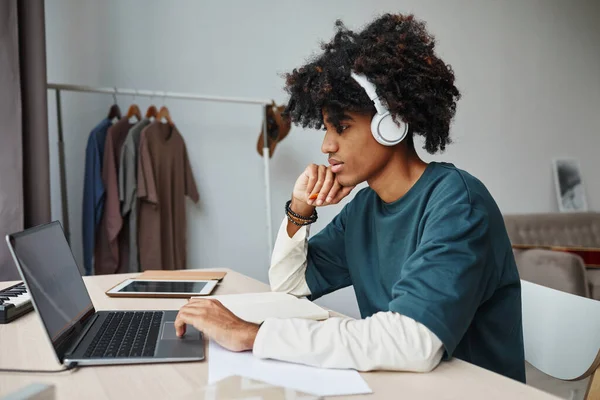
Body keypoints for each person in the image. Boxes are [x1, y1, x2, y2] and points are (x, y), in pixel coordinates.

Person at [175, 13, 526, 382]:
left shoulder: (457, 204)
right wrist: (300, 208)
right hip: (405, 385)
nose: (327, 145)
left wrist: (252, 335)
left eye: (341, 127)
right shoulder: (365, 208)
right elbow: (291, 285)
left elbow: (415, 341)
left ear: (391, 122)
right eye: (326, 129)